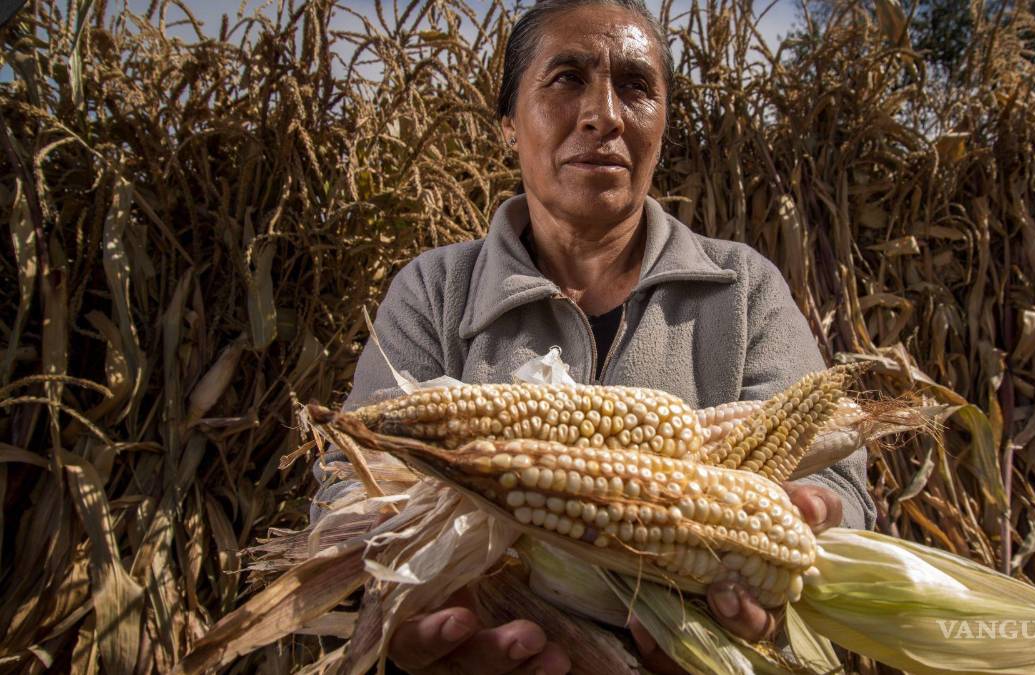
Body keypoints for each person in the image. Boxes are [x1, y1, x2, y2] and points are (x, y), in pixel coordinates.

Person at [317, 0, 875, 671]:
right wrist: (412, 608)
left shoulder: (743, 287)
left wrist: (802, 543)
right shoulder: (435, 290)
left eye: (636, 86)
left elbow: (838, 487)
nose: (604, 115)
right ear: (506, 125)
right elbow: (354, 487)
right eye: (567, 79)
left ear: (662, 125)